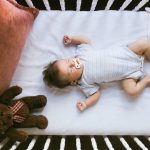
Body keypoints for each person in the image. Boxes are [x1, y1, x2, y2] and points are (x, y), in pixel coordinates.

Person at [43, 35, 150, 112]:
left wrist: (73, 39)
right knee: (131, 91)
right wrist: (86, 103)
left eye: (67, 61)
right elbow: (96, 95)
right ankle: (146, 80)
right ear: (73, 82)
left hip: (128, 53)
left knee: (143, 43)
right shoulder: (84, 82)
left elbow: (85, 41)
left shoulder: (81, 54)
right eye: (70, 70)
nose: (72, 63)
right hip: (128, 75)